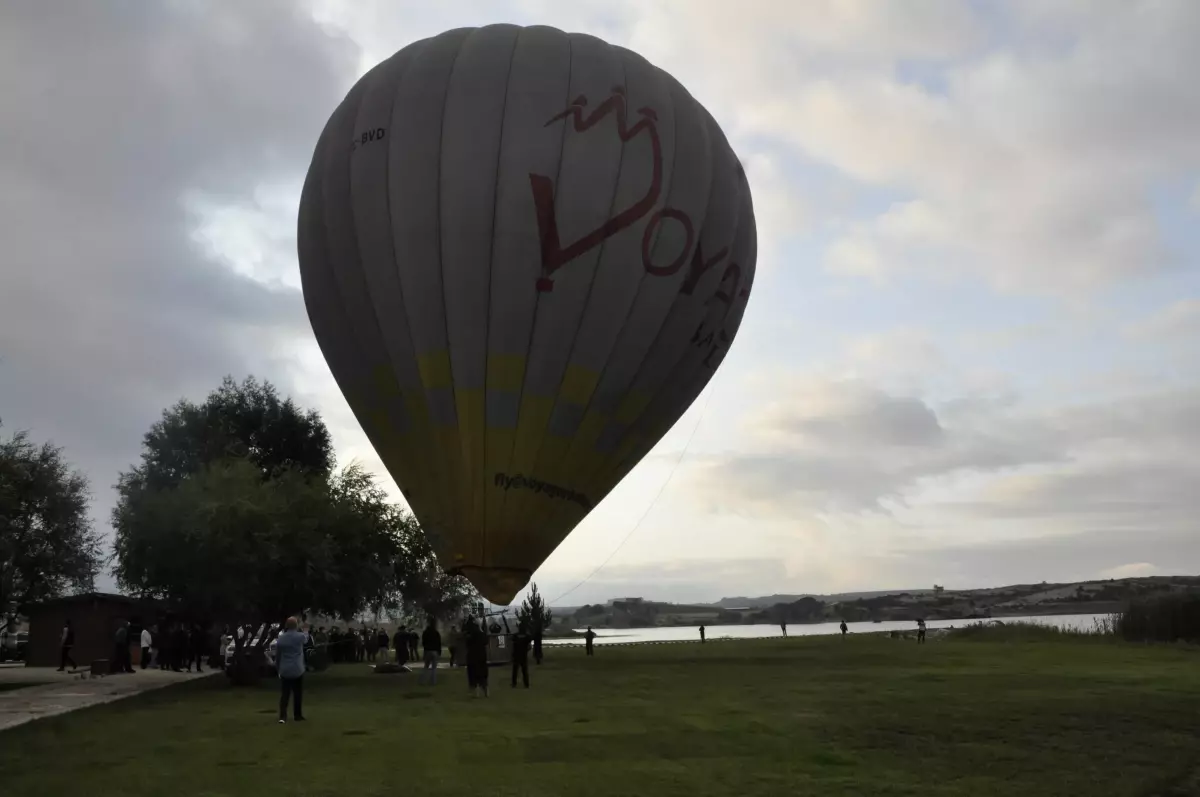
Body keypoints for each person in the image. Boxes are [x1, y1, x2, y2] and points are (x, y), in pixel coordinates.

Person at [276, 617, 307, 724]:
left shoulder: (281, 638)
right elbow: (306, 640)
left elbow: (278, 655)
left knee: (285, 694)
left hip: (285, 669)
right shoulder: (300, 636)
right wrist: (305, 629)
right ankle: (297, 715)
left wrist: (278, 668)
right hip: (298, 668)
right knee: (298, 693)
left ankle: (282, 716)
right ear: (296, 625)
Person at [465, 618, 489, 698]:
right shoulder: (482, 634)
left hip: (472, 657)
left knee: (473, 675)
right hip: (481, 656)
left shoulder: (470, 634)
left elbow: (467, 644)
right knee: (482, 675)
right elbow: (486, 642)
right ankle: (485, 692)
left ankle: (475, 693)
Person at [419, 618, 442, 685]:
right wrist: (439, 652)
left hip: (427, 651)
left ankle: (422, 681)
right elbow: (439, 643)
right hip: (435, 651)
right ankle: (433, 681)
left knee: (426, 666)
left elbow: (423, 642)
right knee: (434, 668)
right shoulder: (436, 633)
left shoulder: (425, 632)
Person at [511, 621, 532, 689]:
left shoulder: (515, 636)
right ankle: (526, 684)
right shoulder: (527, 636)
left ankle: (514, 683)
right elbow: (529, 645)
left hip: (516, 654)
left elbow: (511, 639)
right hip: (524, 655)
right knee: (524, 671)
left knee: (515, 670)